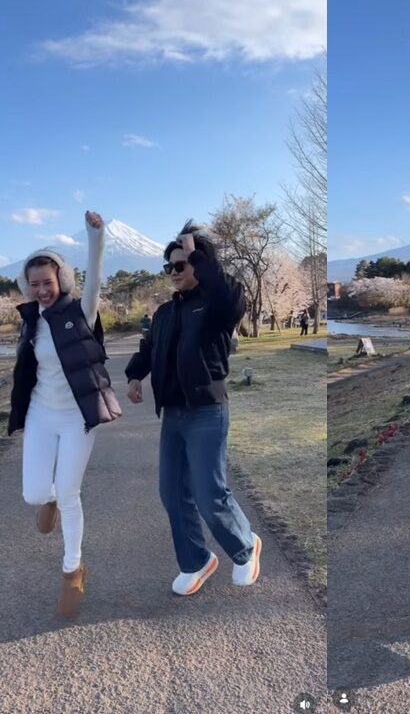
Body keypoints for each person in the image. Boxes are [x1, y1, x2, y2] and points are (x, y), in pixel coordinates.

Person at [125, 220, 261, 596]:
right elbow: (149, 348)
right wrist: (135, 375)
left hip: (206, 412)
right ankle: (196, 561)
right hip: (173, 415)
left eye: (181, 264)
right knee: (171, 493)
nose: (173, 271)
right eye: (169, 266)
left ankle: (246, 546)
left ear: (200, 265)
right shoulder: (165, 313)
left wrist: (198, 256)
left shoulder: (215, 306)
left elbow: (231, 299)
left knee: (208, 494)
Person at [9, 211, 122, 617]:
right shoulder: (31, 321)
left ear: (61, 281)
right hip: (42, 413)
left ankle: (72, 569)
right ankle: (49, 499)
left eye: (48, 282)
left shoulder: (81, 312)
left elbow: (95, 278)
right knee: (34, 494)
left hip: (78, 416)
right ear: (27, 285)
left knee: (70, 491)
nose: (42, 290)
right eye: (34, 284)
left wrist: (97, 236)